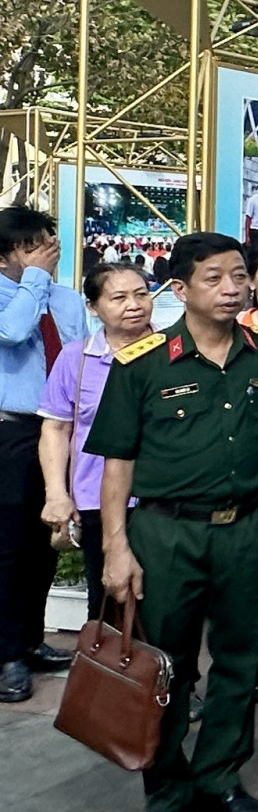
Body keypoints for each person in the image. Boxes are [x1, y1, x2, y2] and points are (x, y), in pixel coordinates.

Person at [88, 232, 258, 812]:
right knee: (166, 665)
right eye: (214, 278)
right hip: (166, 532)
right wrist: (116, 549)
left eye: (239, 275)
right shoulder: (144, 364)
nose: (233, 287)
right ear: (180, 290)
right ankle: (166, 794)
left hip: (245, 528)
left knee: (240, 660)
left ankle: (219, 776)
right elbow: (117, 464)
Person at [0, 208, 87, 703]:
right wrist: (33, 280)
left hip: (60, 429)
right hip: (10, 432)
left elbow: (77, 358)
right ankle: (6, 652)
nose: (46, 252)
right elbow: (11, 333)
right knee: (9, 547)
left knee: (46, 544)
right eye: (31, 244)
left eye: (48, 242)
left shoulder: (67, 300)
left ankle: (31, 639)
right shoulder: (15, 296)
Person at [39, 263, 154, 624]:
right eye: (119, 297)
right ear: (93, 307)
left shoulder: (173, 353)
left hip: (164, 500)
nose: (134, 304)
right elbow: (56, 430)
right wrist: (57, 493)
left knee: (164, 608)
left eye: (141, 294)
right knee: (109, 604)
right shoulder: (77, 358)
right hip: (97, 502)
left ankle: (168, 681)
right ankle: (111, 680)